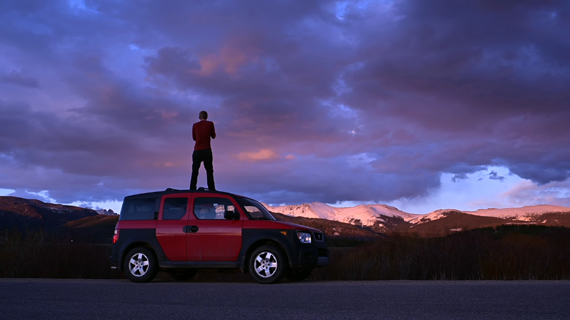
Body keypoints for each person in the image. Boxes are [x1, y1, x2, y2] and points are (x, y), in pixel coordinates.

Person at [190, 110, 216, 190]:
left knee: (195, 171)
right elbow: (213, 136)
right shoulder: (210, 124)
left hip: (197, 150)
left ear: (199, 117)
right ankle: (211, 189)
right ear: (207, 117)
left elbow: (194, 138)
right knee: (209, 171)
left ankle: (192, 188)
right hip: (207, 150)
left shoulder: (195, 125)